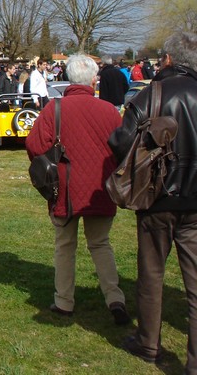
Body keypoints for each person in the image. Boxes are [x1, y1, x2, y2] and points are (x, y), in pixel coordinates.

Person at [109, 31, 197, 368]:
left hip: (156, 196)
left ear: (170, 59)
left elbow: (119, 140)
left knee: (151, 273)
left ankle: (148, 343)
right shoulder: (155, 93)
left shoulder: (153, 94)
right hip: (193, 199)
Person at [26, 54, 128, 325]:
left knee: (65, 245)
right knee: (100, 244)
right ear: (93, 80)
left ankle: (64, 301)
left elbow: (34, 146)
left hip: (65, 188)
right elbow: (124, 149)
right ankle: (114, 298)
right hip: (100, 188)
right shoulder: (109, 111)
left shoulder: (54, 109)